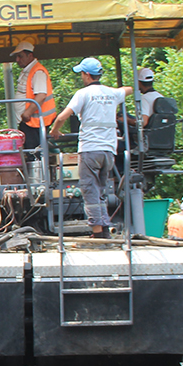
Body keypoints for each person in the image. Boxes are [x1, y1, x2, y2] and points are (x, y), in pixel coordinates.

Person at [48, 56, 133, 239]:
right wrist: (118, 91)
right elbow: (129, 90)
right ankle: (104, 228)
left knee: (89, 189)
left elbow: (63, 117)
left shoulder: (83, 94)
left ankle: (98, 232)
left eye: (82, 74)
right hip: (109, 150)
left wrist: (55, 130)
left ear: (87, 75)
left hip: (90, 149)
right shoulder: (112, 93)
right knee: (101, 189)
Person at [9, 41, 55, 150]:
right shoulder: (29, 71)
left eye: (20, 56)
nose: (17, 60)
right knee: (31, 150)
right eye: (17, 57)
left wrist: (27, 113)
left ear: (30, 55)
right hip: (30, 122)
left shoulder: (38, 72)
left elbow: (41, 95)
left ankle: (38, 167)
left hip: (34, 122)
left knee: (34, 151)